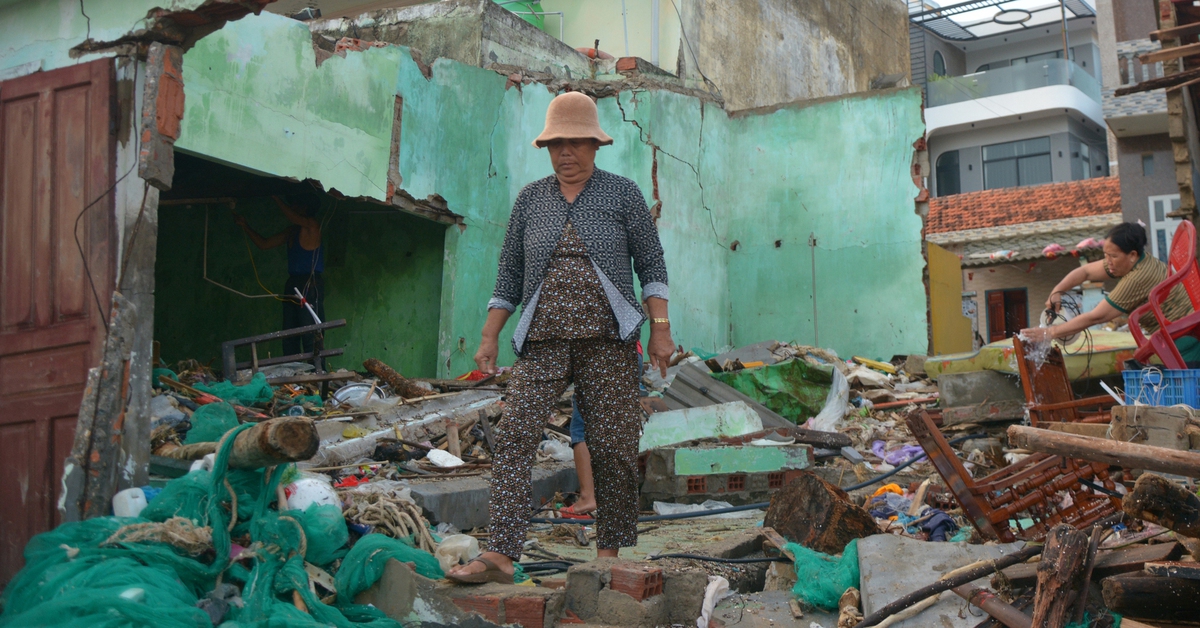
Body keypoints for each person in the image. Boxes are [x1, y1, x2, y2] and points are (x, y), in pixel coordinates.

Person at [447, 92, 673, 584]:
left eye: (575, 143)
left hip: (609, 339)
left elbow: (652, 266)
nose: (565, 153)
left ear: (595, 145)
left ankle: (609, 554)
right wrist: (489, 338)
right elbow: (508, 276)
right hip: (544, 339)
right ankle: (501, 554)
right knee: (514, 439)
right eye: (556, 145)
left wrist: (660, 330)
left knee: (614, 445)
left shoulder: (623, 194)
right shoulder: (532, 198)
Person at [1021, 222, 1198, 362]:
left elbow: (1096, 317)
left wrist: (1050, 333)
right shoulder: (1133, 262)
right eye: (1106, 255)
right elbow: (1085, 272)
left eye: (1113, 256)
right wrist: (1057, 290)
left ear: (1132, 255)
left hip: (1185, 339)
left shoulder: (1137, 278)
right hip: (1178, 332)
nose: (1108, 262)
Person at [232, 194, 326, 355]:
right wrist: (245, 225)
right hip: (293, 283)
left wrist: (275, 197)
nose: (292, 208)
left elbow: (293, 217)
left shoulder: (312, 225)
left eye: (295, 205)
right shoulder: (292, 232)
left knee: (310, 331)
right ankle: (292, 371)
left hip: (309, 283)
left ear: (305, 208)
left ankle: (316, 374)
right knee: (289, 332)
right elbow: (264, 244)